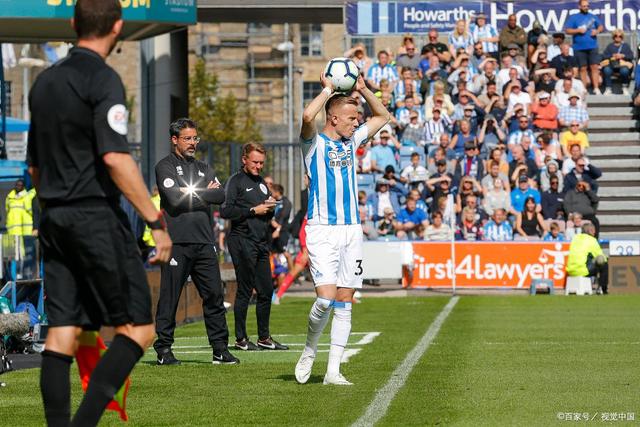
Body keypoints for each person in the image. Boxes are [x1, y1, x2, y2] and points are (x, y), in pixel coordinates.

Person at [27, 1, 172, 424]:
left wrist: (56, 203)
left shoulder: (44, 82)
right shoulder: (103, 79)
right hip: (93, 216)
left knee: (62, 332)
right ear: (118, 27)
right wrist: (155, 222)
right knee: (139, 328)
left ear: (74, 25)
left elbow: (35, 166)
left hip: (53, 217)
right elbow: (115, 158)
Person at [296, 73, 389, 386]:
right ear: (333, 118)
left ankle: (333, 371)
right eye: (351, 117)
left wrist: (362, 89)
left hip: (351, 230)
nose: (356, 121)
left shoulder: (353, 142)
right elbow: (309, 115)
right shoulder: (312, 144)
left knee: (345, 300)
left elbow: (383, 116)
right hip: (322, 229)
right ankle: (310, 348)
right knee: (325, 299)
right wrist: (328, 89)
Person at [153, 118, 236, 365]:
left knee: (213, 295)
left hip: (204, 243)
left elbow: (220, 195)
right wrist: (203, 193)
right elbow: (173, 199)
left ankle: (220, 349)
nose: (193, 143)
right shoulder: (164, 166)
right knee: (170, 297)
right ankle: (164, 350)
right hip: (176, 242)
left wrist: (188, 192)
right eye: (188, 138)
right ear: (174, 140)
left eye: (195, 138)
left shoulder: (204, 167)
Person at [221, 143, 288, 352]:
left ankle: (264, 337)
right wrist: (252, 210)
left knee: (266, 290)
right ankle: (240, 339)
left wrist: (270, 207)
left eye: (261, 163)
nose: (258, 166)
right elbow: (226, 210)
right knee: (244, 290)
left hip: (260, 242)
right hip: (241, 240)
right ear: (244, 160)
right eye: (255, 162)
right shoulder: (235, 181)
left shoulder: (260, 183)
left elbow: (264, 212)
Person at [564, 0, 603, 93]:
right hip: (579, 47)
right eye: (584, 6)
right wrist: (578, 30)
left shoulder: (593, 17)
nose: (586, 7)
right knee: (582, 68)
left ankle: (596, 88)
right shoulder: (574, 18)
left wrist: (597, 31)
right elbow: (567, 30)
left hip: (592, 46)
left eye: (587, 6)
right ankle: (584, 89)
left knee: (594, 67)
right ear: (579, 6)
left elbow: (601, 26)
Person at [566, 222, 608, 294]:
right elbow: (600, 257)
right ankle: (603, 289)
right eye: (594, 230)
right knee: (604, 263)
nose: (595, 232)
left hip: (570, 270)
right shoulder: (592, 240)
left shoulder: (575, 238)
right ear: (590, 231)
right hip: (582, 271)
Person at [600, 29, 634, 95]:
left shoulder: (626, 46)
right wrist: (612, 56)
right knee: (606, 70)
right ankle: (608, 88)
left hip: (622, 65)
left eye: (620, 36)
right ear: (613, 37)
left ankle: (624, 87)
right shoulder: (610, 46)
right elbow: (604, 56)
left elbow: (631, 56)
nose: (618, 37)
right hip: (612, 65)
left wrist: (623, 56)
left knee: (624, 70)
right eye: (616, 36)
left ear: (622, 37)